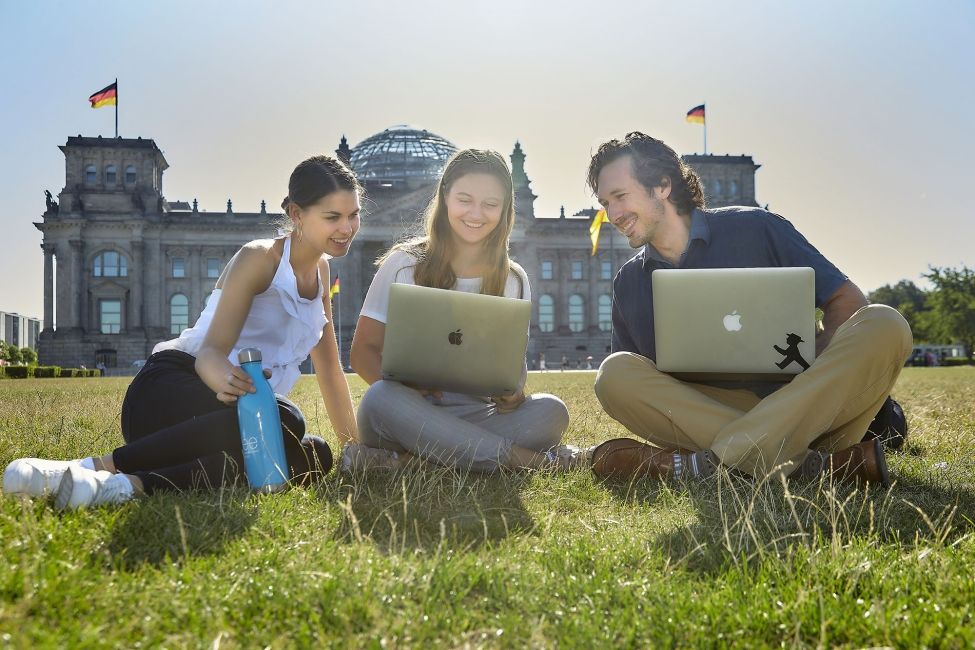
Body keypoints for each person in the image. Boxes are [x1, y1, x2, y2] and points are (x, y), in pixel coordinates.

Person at [4, 155, 361, 508]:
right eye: (333, 217)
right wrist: (232, 383)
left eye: (353, 215)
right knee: (287, 419)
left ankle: (123, 487)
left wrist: (355, 451)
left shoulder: (322, 273)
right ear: (297, 214)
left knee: (314, 453)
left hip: (234, 419)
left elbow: (330, 371)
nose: (346, 228)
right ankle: (90, 467)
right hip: (171, 388)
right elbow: (209, 354)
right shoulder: (261, 258)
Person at [587, 132, 912, 484]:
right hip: (712, 413)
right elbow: (636, 381)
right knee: (613, 374)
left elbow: (847, 301)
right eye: (606, 202)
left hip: (808, 405)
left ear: (663, 185)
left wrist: (811, 366)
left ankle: (704, 465)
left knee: (885, 322)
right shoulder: (629, 281)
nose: (613, 215)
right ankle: (809, 464)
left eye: (620, 196)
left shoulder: (756, 228)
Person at [347, 149, 577, 472]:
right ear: (445, 197)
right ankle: (523, 461)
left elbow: (511, 371)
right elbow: (361, 353)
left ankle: (414, 463)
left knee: (553, 411)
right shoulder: (402, 263)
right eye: (465, 199)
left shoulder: (514, 278)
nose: (476, 213)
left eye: (490, 204)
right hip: (405, 411)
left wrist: (514, 395)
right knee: (379, 397)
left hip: (474, 414)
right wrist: (408, 390)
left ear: (506, 209)